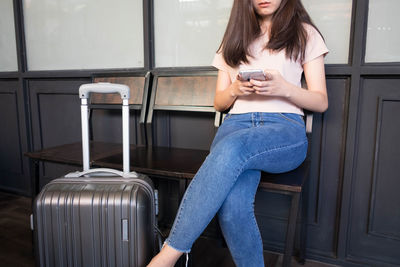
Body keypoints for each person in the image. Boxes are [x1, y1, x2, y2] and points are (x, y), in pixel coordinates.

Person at [147, 0, 328, 266]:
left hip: (283, 129)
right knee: (232, 209)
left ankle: (167, 256)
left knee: (232, 148)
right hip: (236, 125)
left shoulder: (304, 33)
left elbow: (321, 101)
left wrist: (284, 88)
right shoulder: (234, 38)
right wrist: (235, 90)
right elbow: (220, 103)